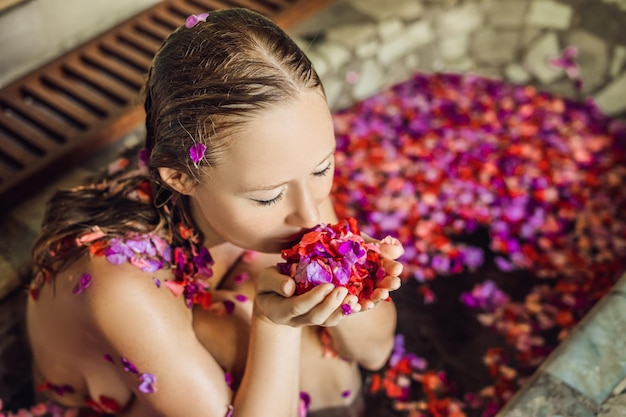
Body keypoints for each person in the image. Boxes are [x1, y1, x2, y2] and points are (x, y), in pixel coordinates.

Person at [26, 8, 404, 417]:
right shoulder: (120, 282)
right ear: (182, 179)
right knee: (268, 337)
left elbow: (375, 352)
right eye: (266, 198)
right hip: (118, 401)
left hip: (205, 306)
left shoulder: (288, 183)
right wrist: (274, 324)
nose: (311, 216)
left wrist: (352, 282)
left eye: (322, 168)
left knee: (322, 360)